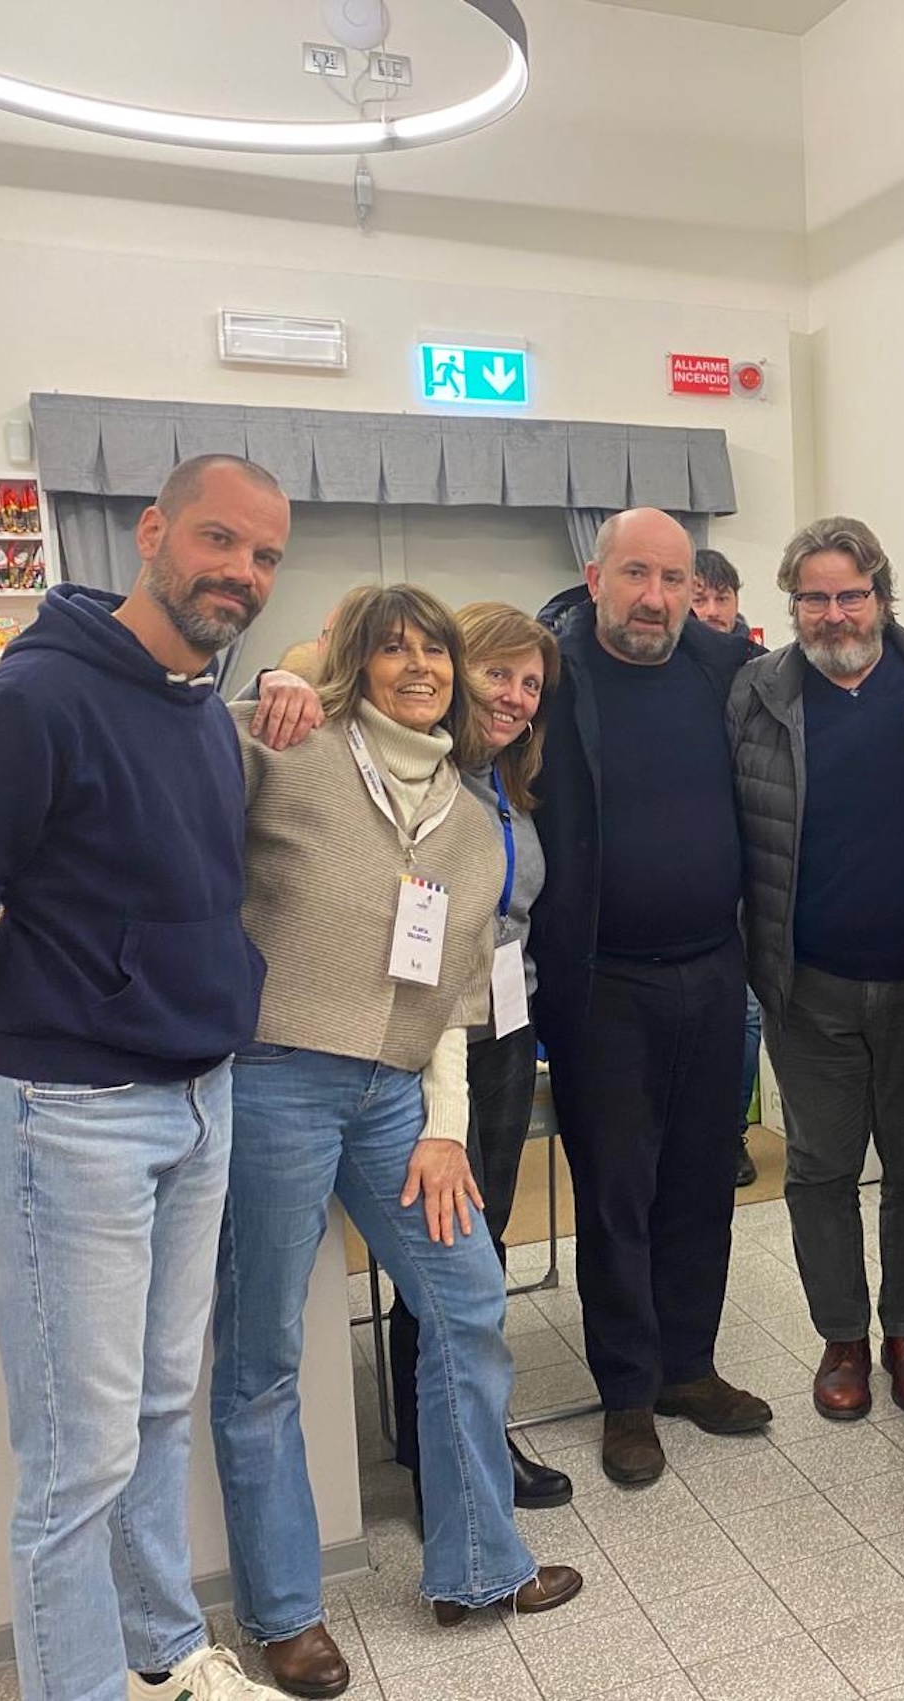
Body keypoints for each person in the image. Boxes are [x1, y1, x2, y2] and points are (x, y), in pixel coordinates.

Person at [0, 454, 288, 1701]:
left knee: (157, 1413)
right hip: (73, 1118)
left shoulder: (198, 704)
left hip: (200, 1098)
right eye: (219, 540)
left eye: (266, 555)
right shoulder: (36, 698)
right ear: (153, 532)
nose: (242, 572)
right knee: (73, 1464)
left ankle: (165, 1655)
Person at [213, 585, 581, 1696]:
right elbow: (177, 804)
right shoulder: (287, 748)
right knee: (263, 1354)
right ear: (354, 662)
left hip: (396, 1097)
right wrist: (268, 682)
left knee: (466, 1301)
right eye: (394, 648)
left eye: (435, 650)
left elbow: (457, 992)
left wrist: (446, 1132)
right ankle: (283, 1612)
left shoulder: (469, 820)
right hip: (272, 1079)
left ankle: (475, 1566)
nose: (419, 666)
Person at [530, 508, 771, 1488]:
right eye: (636, 574)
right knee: (617, 1192)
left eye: (674, 579)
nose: (656, 597)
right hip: (602, 981)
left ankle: (689, 1366)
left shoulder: (723, 666)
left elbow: (855, 652)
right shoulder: (550, 672)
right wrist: (292, 678)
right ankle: (628, 1392)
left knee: (703, 1179)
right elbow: (422, 679)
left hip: (714, 970)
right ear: (596, 578)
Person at [730, 516, 904, 1420]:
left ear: (882, 595)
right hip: (808, 983)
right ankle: (843, 1339)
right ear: (793, 606)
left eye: (849, 595)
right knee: (821, 1170)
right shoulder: (757, 692)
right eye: (813, 598)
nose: (833, 614)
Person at [380, 604, 572, 1518]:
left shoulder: (505, 782)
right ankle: (445, 1461)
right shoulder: (415, 773)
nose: (516, 697)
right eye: (499, 673)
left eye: (531, 684)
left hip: (503, 1029)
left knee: (480, 1242)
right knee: (441, 1252)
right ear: (457, 669)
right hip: (428, 1038)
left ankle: (461, 1435)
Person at [691, 546, 768, 1187]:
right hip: (693, 866)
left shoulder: (762, 671)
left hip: (756, 862)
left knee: (746, 1017)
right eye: (700, 598)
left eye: (723, 597)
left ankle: (729, 1131)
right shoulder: (663, 668)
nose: (712, 610)